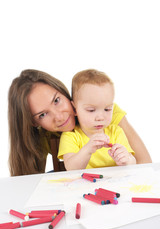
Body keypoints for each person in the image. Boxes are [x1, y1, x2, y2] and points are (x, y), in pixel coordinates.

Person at [8, 69, 152, 176]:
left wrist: (126, 159)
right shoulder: (41, 136)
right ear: (33, 123)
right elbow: (30, 181)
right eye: (43, 114)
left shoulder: (104, 114)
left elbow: (144, 163)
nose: (59, 117)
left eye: (57, 100)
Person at [58, 69, 136, 170]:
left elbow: (133, 163)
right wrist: (88, 149)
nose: (100, 117)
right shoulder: (71, 136)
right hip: (86, 184)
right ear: (74, 109)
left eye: (107, 109)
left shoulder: (116, 132)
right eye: (91, 110)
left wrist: (127, 159)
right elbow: (71, 168)